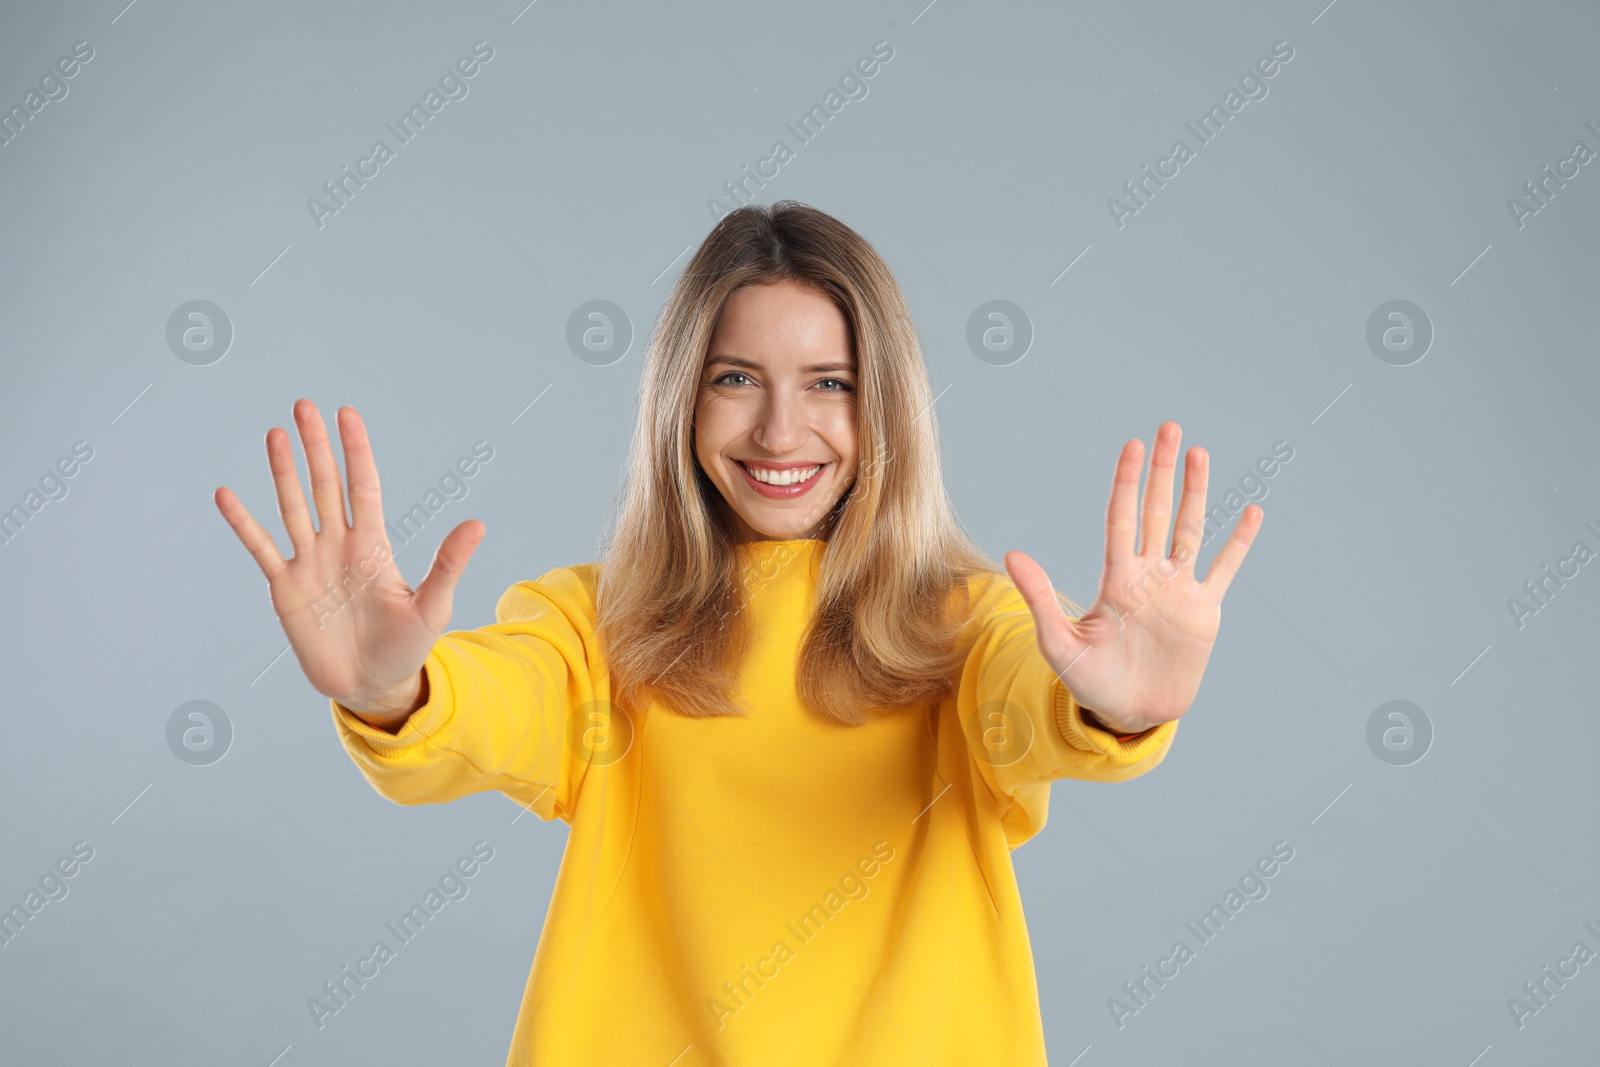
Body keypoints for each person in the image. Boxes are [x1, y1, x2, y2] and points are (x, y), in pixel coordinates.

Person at [213, 200, 1261, 1065]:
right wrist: (395, 691)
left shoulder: (962, 625)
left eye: (829, 385)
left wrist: (1109, 704)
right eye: (733, 379)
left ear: (887, 406)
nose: (777, 431)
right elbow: (499, 699)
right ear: (679, 399)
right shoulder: (596, 624)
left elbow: (1028, 709)